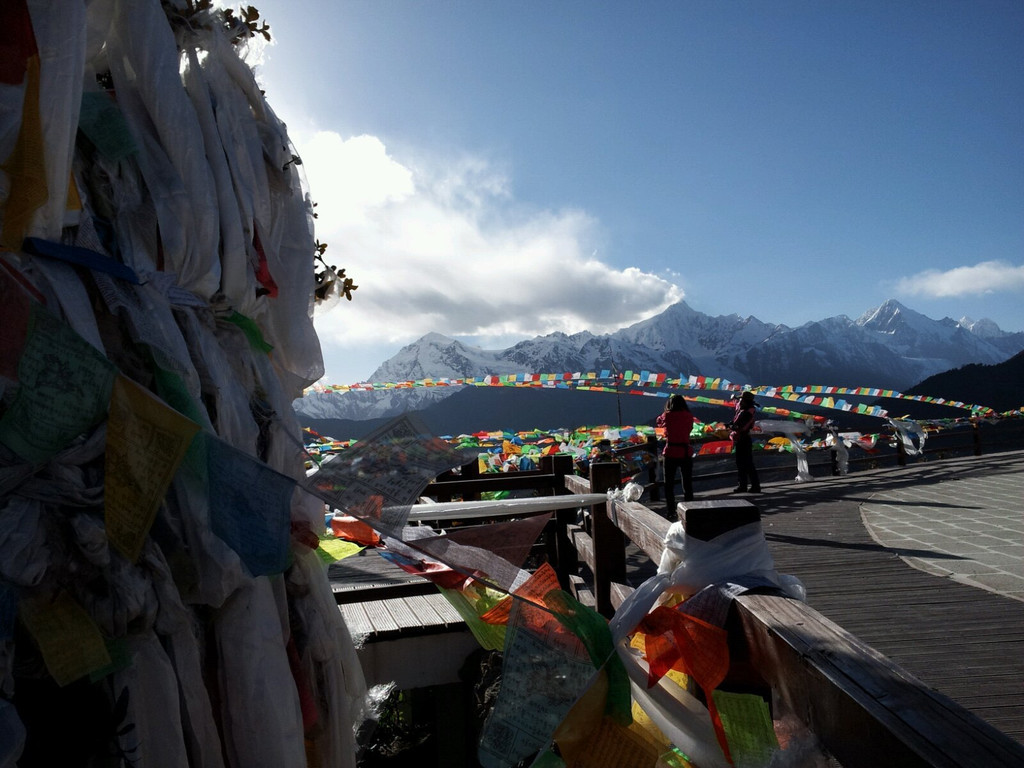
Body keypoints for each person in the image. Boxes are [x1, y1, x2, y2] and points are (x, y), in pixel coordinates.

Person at [656, 394, 696, 514]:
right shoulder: (689, 416)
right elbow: (689, 429)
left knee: (669, 485)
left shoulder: (667, 416)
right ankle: (690, 510)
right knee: (687, 483)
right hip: (685, 452)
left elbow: (659, 422)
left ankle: (671, 510)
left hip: (671, 452)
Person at [730, 390, 761, 493]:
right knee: (745, 463)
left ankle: (748, 486)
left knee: (745, 463)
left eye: (741, 399)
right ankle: (749, 485)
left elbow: (739, 426)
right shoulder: (748, 411)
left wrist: (730, 426)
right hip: (744, 439)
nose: (740, 401)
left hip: (742, 439)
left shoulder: (745, 413)